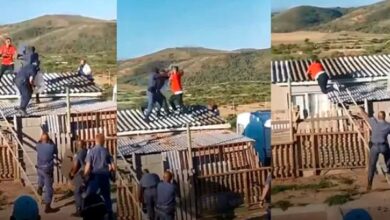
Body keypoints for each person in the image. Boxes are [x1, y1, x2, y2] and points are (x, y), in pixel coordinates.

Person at [84, 133, 115, 220]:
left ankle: (90, 213)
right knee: (107, 196)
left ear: (95, 140)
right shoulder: (106, 151)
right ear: (103, 141)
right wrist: (113, 175)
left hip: (95, 176)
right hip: (105, 176)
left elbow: (88, 166)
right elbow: (113, 166)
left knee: (90, 194)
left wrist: (85, 175)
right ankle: (109, 213)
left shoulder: (92, 151)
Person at [367, 111, 390, 191]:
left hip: (375, 147)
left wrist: (360, 111)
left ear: (378, 117)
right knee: (388, 158)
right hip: (383, 146)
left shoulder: (374, 123)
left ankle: (369, 184)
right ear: (384, 117)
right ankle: (388, 169)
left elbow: (366, 116)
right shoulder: (388, 125)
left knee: (372, 165)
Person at [36, 133, 59, 213]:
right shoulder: (52, 146)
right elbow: (56, 152)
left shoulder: (38, 146)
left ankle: (40, 186)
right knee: (49, 188)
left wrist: (41, 139)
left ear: (41, 139)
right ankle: (47, 207)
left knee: (41, 177)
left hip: (39, 167)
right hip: (47, 169)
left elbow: (39, 142)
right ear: (48, 139)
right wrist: (50, 141)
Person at [68, 140, 88, 217]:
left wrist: (72, 173)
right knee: (83, 191)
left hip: (81, 173)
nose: (77, 146)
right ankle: (84, 209)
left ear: (78, 145)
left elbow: (76, 165)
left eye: (77, 145)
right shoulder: (87, 151)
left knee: (77, 192)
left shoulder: (78, 153)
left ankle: (79, 210)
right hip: (87, 174)